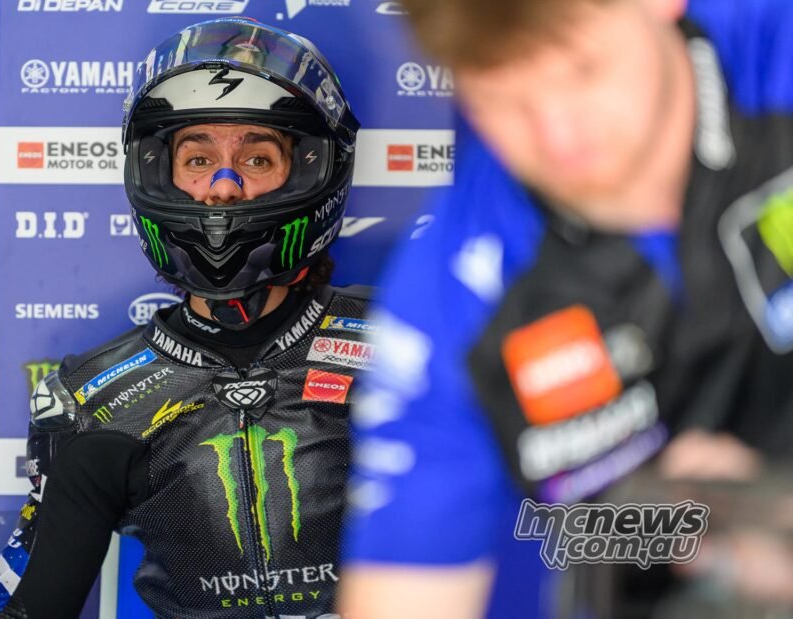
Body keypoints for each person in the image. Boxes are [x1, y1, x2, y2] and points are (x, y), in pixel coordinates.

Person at [338, 0, 793, 617]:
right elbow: (404, 597)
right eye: (503, 96)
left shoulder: (775, 51)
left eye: (582, 71)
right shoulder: (450, 305)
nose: (559, 135)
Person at [0, 17, 365, 619]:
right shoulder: (96, 402)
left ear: (309, 169)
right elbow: (26, 606)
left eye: (256, 159)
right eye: (198, 158)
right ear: (160, 172)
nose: (222, 189)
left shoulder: (404, 345)